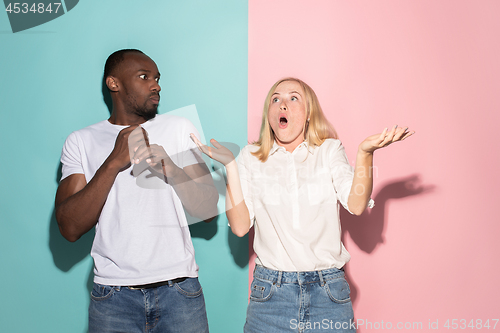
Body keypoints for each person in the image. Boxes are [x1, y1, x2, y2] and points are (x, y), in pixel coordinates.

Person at [191, 77, 414, 332]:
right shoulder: (250, 158)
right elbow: (240, 227)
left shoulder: (329, 151)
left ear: (309, 114)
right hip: (270, 296)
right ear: (269, 113)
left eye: (293, 98)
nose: (282, 104)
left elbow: (356, 203)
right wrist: (231, 167)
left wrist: (365, 152)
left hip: (328, 293)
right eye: (276, 99)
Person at [55, 49, 218, 333]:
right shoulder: (81, 140)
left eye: (157, 78)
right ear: (113, 83)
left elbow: (208, 212)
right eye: (144, 77)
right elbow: (69, 228)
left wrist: (171, 169)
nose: (155, 85)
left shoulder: (179, 127)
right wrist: (113, 162)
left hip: (179, 291)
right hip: (113, 297)